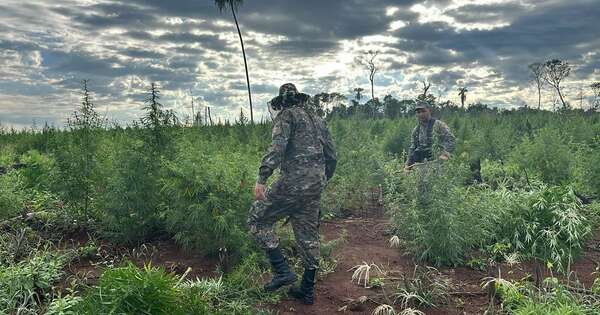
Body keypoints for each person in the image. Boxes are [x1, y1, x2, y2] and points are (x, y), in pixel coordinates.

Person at [247, 83, 337, 305]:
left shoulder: (286, 116)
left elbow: (277, 148)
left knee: (257, 219)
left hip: (293, 183)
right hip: (315, 184)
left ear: (282, 102)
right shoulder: (318, 120)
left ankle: (282, 272)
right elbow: (332, 155)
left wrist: (262, 178)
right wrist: (320, 180)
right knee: (308, 236)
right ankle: (306, 290)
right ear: (299, 98)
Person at [405, 100, 455, 170]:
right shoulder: (416, 130)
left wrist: (445, 153)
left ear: (429, 111)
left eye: (423, 111)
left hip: (438, 163)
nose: (421, 114)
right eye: (418, 112)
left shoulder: (439, 125)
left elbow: (451, 139)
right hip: (421, 165)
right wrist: (408, 164)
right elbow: (412, 148)